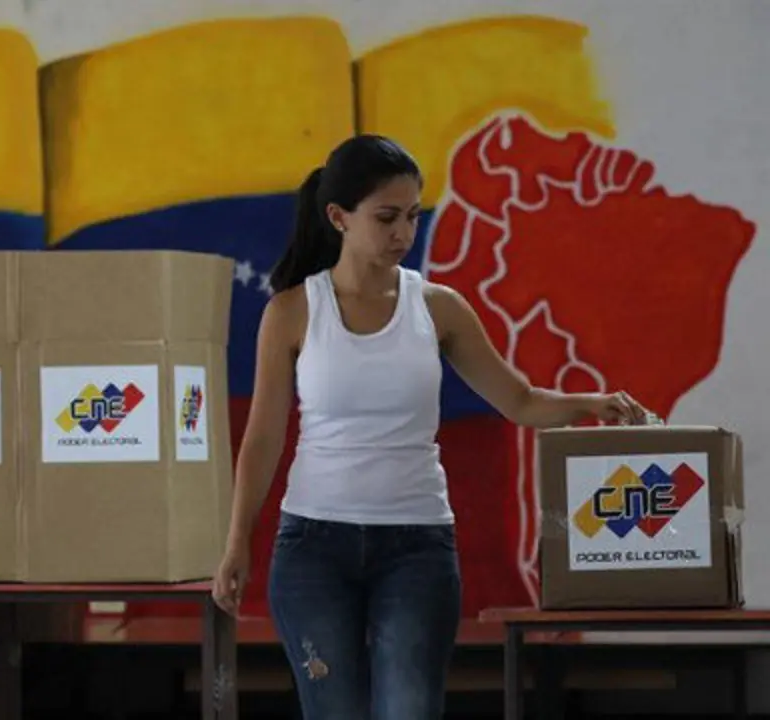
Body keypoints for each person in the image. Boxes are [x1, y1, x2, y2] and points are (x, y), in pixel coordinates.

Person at [210, 134, 648, 719]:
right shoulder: (292, 311)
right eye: (386, 218)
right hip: (314, 549)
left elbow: (518, 401)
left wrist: (591, 403)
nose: (403, 235)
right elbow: (263, 438)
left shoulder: (439, 308)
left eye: (413, 217)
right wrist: (237, 540)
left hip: (416, 549)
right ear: (338, 216)